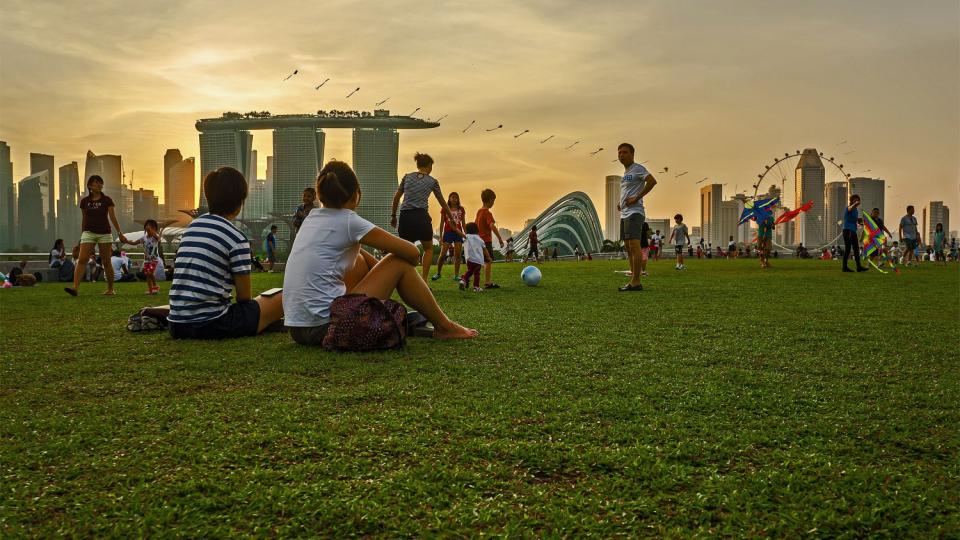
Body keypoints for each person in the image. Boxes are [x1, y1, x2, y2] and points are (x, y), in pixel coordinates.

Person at [283, 161, 477, 345]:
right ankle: (445, 326)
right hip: (330, 327)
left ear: (320, 194)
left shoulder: (311, 218)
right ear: (355, 194)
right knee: (399, 262)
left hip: (297, 329)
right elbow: (412, 253)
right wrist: (391, 272)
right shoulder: (349, 220)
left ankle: (391, 311)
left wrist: (376, 267)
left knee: (358, 259)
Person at [166, 167, 284, 339]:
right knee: (282, 296)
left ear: (208, 197)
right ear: (239, 202)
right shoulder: (236, 238)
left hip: (176, 325)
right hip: (213, 323)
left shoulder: (192, 228)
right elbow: (244, 298)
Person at [390, 153, 454, 281]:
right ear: (429, 165)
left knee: (406, 250)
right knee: (428, 248)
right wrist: (451, 217)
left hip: (405, 217)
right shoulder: (433, 181)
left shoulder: (407, 177)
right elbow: (441, 201)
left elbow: (396, 197)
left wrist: (393, 216)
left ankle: (404, 279)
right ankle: (423, 280)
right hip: (421, 217)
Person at [64, 175, 130, 296]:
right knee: (82, 259)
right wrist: (83, 233)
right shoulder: (85, 202)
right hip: (88, 233)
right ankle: (75, 288)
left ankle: (110, 289)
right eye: (96, 183)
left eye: (100, 183)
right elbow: (84, 218)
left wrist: (119, 233)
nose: (99, 185)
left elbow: (112, 217)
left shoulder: (107, 200)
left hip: (104, 233)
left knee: (106, 261)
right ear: (90, 186)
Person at [616, 143, 658, 291]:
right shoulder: (625, 173)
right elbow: (627, 192)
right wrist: (621, 203)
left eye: (625, 152)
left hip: (635, 212)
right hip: (625, 213)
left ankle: (636, 282)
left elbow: (652, 181)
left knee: (635, 247)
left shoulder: (638, 168)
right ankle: (633, 277)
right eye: (619, 153)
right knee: (628, 247)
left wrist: (637, 197)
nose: (621, 155)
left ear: (632, 154)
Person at [432, 192, 466, 281]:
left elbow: (463, 223)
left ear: (458, 199)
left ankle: (456, 275)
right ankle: (438, 273)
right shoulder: (445, 208)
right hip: (448, 233)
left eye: (456, 197)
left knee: (458, 255)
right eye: (452, 197)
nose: (454, 199)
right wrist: (440, 236)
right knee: (442, 254)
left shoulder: (461, 209)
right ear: (449, 198)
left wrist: (466, 234)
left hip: (458, 233)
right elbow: (442, 223)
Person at [476, 188, 505, 289]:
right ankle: (488, 282)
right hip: (486, 241)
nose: (493, 203)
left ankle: (467, 279)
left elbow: (476, 226)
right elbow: (492, 226)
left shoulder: (479, 212)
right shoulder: (487, 213)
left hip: (478, 240)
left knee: (480, 262)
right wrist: (500, 239)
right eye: (493, 200)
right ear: (491, 200)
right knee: (488, 261)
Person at [126, 219, 162, 294]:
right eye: (147, 225)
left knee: (149, 273)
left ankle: (155, 286)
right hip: (146, 259)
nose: (148, 227)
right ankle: (150, 289)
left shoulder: (155, 236)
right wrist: (126, 240)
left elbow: (158, 238)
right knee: (147, 275)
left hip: (154, 259)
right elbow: (134, 243)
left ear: (155, 228)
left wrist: (151, 230)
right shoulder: (144, 238)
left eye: (150, 226)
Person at [841, 194, 868, 272]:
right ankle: (844, 267)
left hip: (852, 231)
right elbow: (850, 208)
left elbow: (855, 220)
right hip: (848, 231)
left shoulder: (856, 210)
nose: (857, 201)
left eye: (858, 200)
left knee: (856, 249)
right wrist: (855, 204)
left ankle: (858, 267)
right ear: (851, 201)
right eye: (855, 199)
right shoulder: (849, 208)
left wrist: (860, 221)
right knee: (848, 249)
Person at [459, 222, 488, 292]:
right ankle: (476, 287)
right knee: (476, 273)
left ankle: (463, 280)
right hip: (478, 260)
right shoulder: (479, 239)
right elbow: (484, 249)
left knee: (470, 271)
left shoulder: (467, 237)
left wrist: (455, 228)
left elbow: (460, 234)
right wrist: (488, 257)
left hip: (469, 259)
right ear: (476, 229)